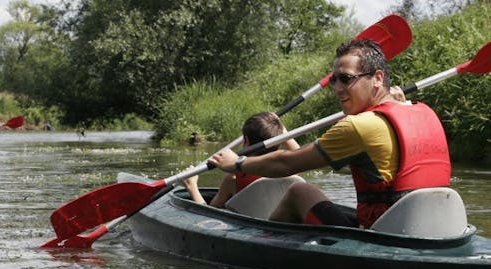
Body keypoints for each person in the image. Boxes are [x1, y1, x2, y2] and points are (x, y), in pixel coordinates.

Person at [207, 39, 451, 228]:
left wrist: (237, 163)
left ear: (377, 78)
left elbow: (286, 163)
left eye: (346, 79)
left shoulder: (360, 126)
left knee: (300, 191)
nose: (337, 89)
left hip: (385, 233)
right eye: (335, 80)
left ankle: (262, 255)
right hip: (435, 228)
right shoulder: (422, 112)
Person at [182, 111, 300, 207]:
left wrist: (192, 186)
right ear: (279, 142)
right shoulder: (286, 171)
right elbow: (297, 153)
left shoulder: (233, 179)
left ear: (246, 141)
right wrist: (282, 130)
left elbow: (208, 215)